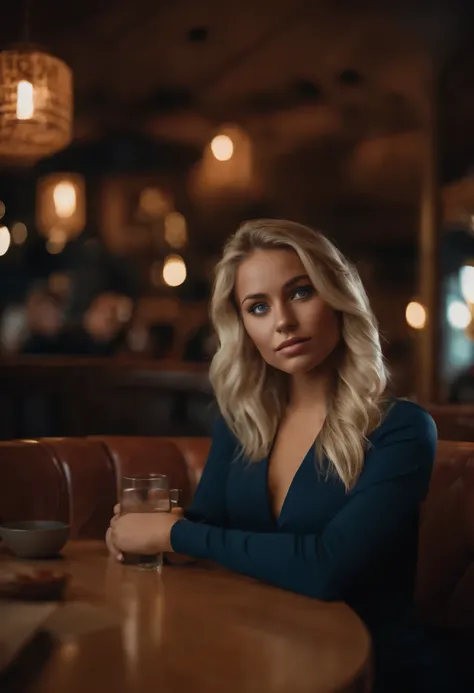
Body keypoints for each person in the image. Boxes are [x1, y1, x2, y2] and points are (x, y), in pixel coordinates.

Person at [107, 219, 461, 691]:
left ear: (337, 296)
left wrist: (174, 536)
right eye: (258, 307)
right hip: (255, 655)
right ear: (242, 326)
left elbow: (326, 568)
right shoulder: (242, 424)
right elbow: (207, 527)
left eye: (299, 293)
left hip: (372, 673)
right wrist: (151, 534)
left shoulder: (401, 430)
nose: (282, 322)